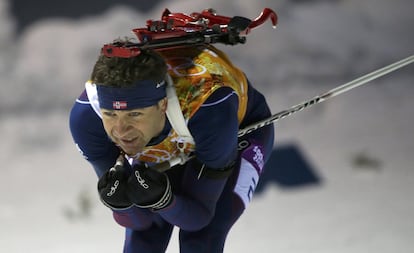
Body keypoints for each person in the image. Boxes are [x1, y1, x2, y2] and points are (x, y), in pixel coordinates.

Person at [69, 38, 275, 252]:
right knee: (144, 241)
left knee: (201, 240)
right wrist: (123, 205)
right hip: (176, 137)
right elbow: (142, 224)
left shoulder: (210, 108)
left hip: (232, 131)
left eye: (135, 114)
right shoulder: (86, 120)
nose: (121, 130)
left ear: (163, 104)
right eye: (110, 114)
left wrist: (163, 201)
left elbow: (199, 219)